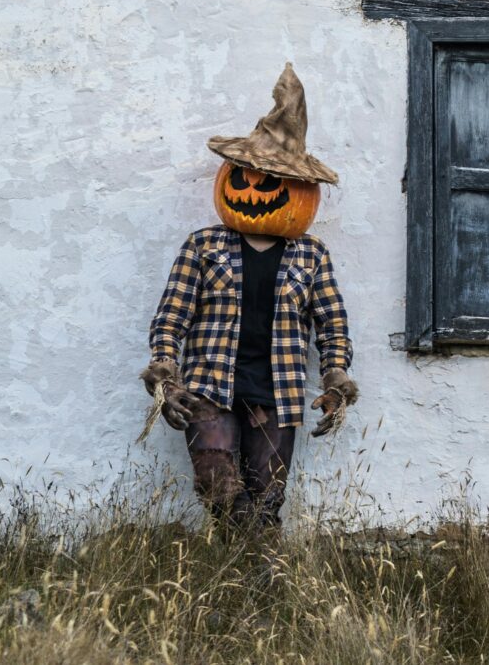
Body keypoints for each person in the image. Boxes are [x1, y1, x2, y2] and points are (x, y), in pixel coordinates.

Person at [140, 63, 358, 533]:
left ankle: (257, 586)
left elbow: (332, 324)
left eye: (272, 180)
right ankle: (236, 572)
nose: (255, 189)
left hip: (276, 390)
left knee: (266, 499)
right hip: (209, 385)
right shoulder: (204, 246)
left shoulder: (311, 255)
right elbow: (171, 318)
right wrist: (167, 379)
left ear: (301, 189)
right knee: (218, 486)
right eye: (245, 176)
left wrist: (336, 376)